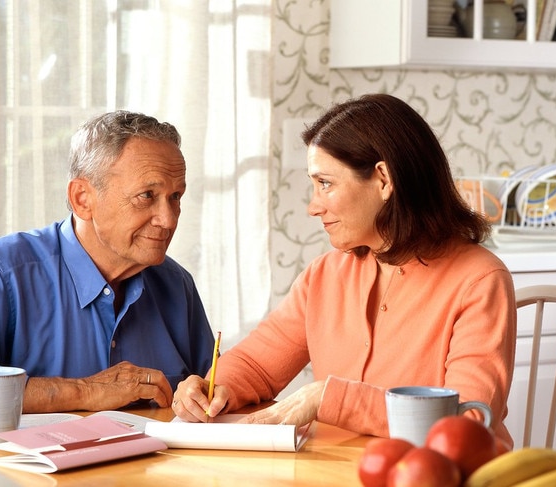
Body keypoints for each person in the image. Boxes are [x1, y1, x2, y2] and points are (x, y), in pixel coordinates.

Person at [172, 94, 517, 445]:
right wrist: (211, 388)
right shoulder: (325, 274)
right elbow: (258, 365)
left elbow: (468, 418)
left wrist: (328, 398)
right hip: (342, 471)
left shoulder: (480, 280)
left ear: (383, 179)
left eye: (325, 183)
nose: (312, 206)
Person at [0, 111, 215, 418]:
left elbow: (215, 388)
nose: (168, 219)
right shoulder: (1, 273)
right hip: (24, 468)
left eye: (175, 197)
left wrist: (210, 393)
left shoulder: (176, 284)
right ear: (82, 199)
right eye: (147, 195)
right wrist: (83, 391)